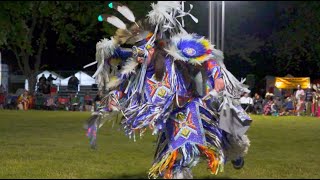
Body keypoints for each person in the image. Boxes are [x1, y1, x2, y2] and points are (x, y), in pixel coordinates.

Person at [83, 1, 252, 179]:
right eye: (137, 53)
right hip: (172, 121)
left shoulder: (174, 52)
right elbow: (123, 90)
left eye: (144, 52)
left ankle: (236, 151)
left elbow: (207, 58)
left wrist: (218, 77)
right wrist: (111, 103)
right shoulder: (137, 74)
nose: (140, 57)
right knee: (173, 164)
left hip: (196, 107)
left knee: (229, 132)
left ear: (153, 48)